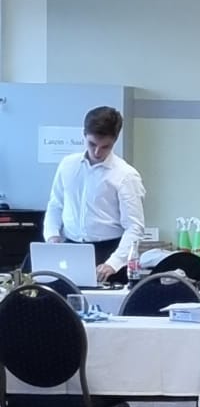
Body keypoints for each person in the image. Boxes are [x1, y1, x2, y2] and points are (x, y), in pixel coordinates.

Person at [43, 105, 145, 283]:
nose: (97, 152)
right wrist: (52, 235)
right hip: (69, 249)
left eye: (105, 146)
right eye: (92, 144)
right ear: (84, 135)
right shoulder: (67, 165)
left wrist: (114, 263)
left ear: (115, 141)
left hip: (109, 252)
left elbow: (134, 227)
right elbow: (55, 205)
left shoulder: (126, 175)